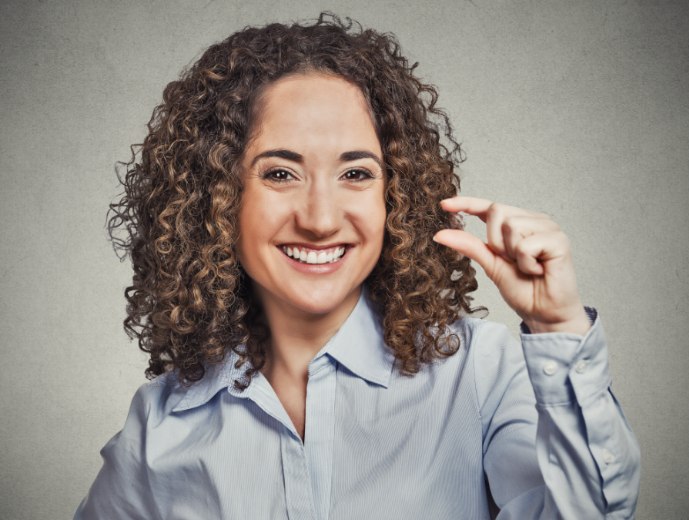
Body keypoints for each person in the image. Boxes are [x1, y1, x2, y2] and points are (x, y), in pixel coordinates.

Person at [75, 13, 640, 519]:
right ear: (214, 198)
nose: (321, 219)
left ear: (394, 194)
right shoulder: (159, 428)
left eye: (356, 173)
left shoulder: (483, 374)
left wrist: (558, 328)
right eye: (279, 173)